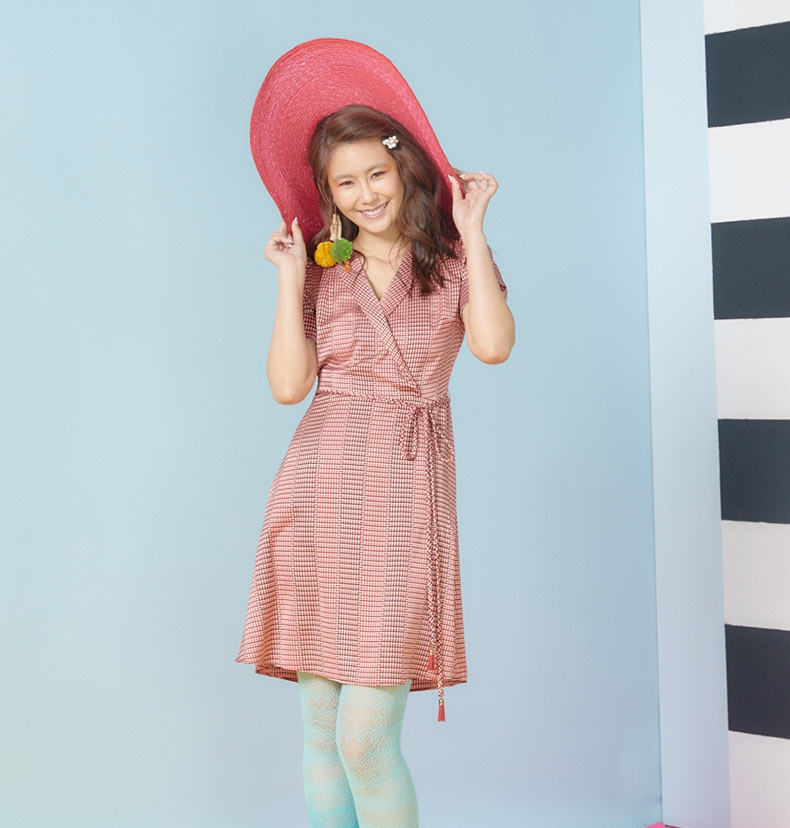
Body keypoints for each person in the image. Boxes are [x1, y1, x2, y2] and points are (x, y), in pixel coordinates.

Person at [236, 39, 515, 827]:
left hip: (403, 494)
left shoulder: (453, 264)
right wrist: (289, 279)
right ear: (328, 193)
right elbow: (289, 387)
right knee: (321, 732)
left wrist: (475, 229)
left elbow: (493, 346)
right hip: (318, 488)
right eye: (345, 182)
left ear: (404, 170)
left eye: (377, 174)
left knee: (365, 740)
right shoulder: (323, 268)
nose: (365, 194)